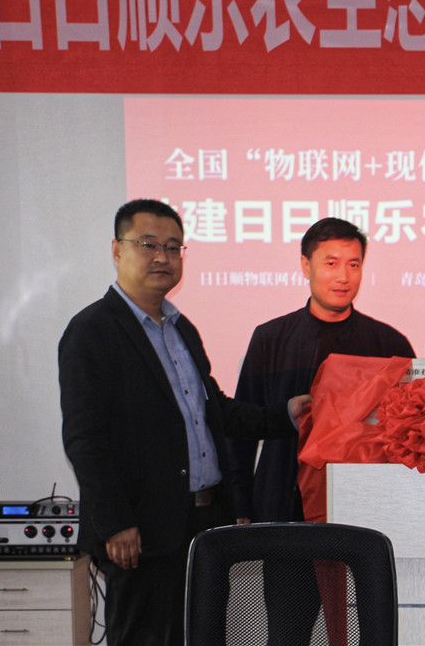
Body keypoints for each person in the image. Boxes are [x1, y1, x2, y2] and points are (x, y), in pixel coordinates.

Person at [60, 199, 308, 645]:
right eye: (148, 244)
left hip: (203, 526)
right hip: (142, 532)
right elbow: (85, 439)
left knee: (205, 637)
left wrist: (284, 415)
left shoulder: (181, 328)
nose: (163, 257)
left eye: (173, 247)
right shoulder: (92, 331)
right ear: (117, 250)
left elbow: (214, 412)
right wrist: (115, 522)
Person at [227, 217, 415, 524]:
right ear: (306, 265)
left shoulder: (389, 344)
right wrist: (239, 506)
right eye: (331, 263)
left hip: (366, 505)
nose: (343, 276)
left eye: (354, 265)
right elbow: (241, 429)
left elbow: (411, 433)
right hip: (280, 502)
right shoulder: (270, 338)